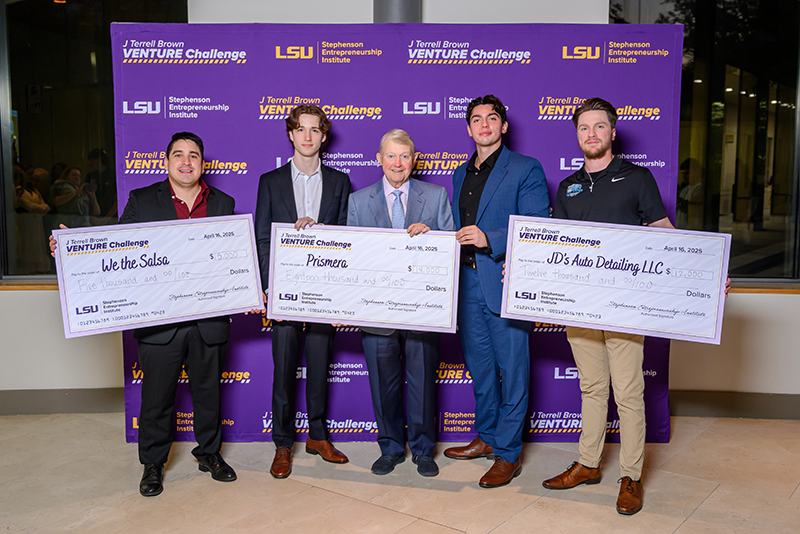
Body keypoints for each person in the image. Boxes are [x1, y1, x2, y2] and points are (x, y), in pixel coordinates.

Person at [52, 132, 238, 497]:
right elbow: (117, 249)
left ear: (203, 164)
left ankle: (209, 453)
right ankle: (153, 464)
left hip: (208, 319)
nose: (186, 162)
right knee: (157, 398)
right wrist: (71, 248)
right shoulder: (142, 199)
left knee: (208, 395)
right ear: (166, 161)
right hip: (160, 322)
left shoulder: (223, 203)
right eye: (179, 155)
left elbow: (233, 255)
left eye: (194, 155)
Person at [541, 97, 675, 515]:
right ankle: (588, 463)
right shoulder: (568, 186)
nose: (592, 134)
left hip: (625, 306)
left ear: (613, 132)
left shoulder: (637, 178)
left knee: (629, 393)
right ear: (577, 135)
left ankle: (631, 476)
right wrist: (523, 273)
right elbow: (554, 247)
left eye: (599, 126)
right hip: (580, 306)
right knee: (592, 388)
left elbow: (664, 232)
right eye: (584, 128)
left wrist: (703, 275)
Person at [444, 95, 550, 488]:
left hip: (505, 282)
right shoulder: (459, 173)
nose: (484, 125)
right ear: (468, 128)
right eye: (476, 119)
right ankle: (487, 436)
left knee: (513, 370)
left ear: (503, 126)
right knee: (481, 369)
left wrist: (491, 238)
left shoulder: (525, 168)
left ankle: (508, 452)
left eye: (492, 118)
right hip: (467, 282)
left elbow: (538, 226)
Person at [347, 129, 454, 477]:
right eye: (391, 156)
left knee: (422, 383)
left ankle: (423, 450)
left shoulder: (435, 197)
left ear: (414, 160)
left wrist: (433, 238)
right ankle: (390, 447)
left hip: (423, 310)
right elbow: (351, 257)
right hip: (376, 310)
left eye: (404, 156)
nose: (397, 163)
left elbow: (451, 250)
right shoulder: (358, 201)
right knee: (383, 384)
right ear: (379, 159)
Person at [254, 104, 352, 479]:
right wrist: (269, 287)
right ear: (291, 134)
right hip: (285, 293)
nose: (308, 136)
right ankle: (283, 444)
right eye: (301, 129)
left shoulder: (340, 181)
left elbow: (346, 239)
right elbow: (264, 237)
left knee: (320, 366)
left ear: (324, 136)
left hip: (324, 294)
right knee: (284, 371)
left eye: (315, 130)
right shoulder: (270, 181)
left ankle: (318, 436)